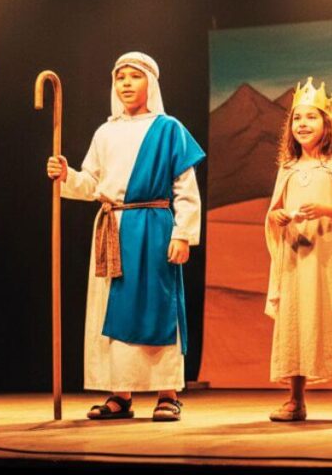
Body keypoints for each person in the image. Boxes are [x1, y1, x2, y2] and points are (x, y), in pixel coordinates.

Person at [47, 52, 204, 421]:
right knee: (112, 307)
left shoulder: (168, 128)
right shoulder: (106, 132)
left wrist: (183, 234)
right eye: (120, 77)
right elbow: (92, 184)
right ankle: (120, 394)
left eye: (135, 76)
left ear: (152, 83)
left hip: (153, 226)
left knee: (157, 306)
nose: (126, 83)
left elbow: (185, 188)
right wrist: (66, 175)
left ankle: (167, 393)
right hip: (112, 227)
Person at [264, 77, 332, 423]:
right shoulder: (287, 168)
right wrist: (276, 216)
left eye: (311, 117)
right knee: (295, 319)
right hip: (296, 256)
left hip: (331, 255)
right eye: (297, 118)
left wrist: (326, 209)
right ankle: (295, 399)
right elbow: (274, 211)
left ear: (327, 124)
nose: (302, 124)